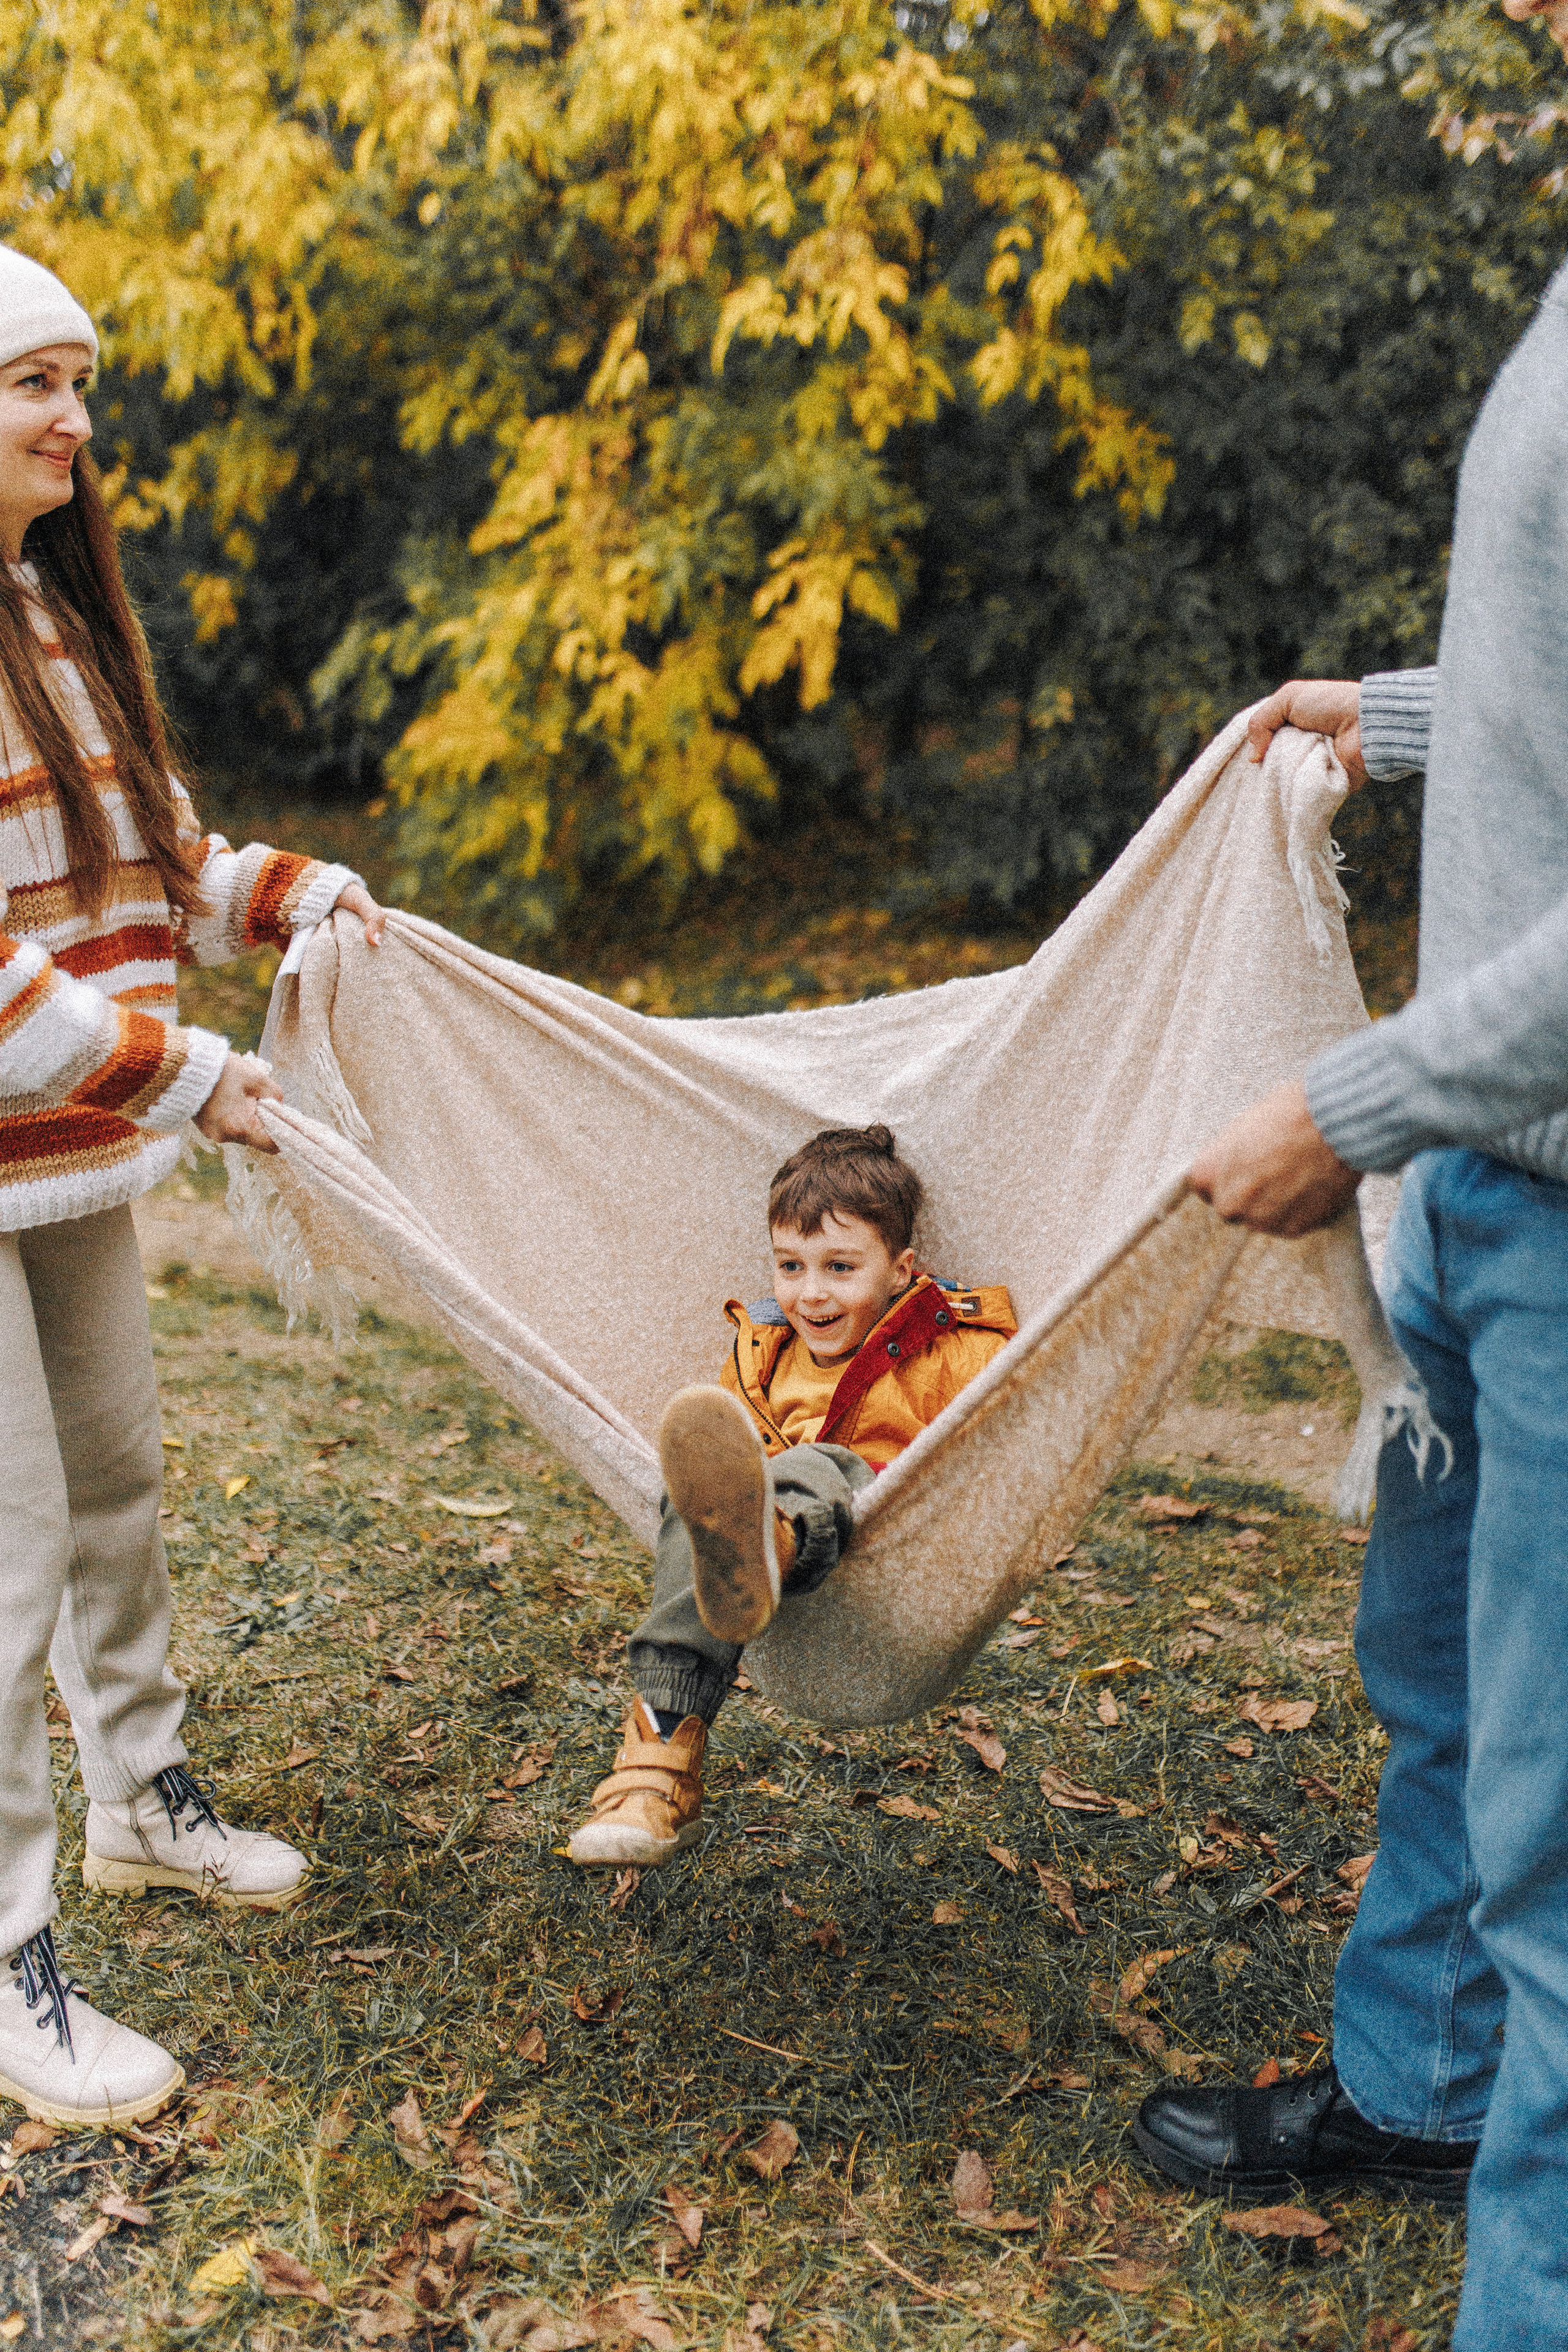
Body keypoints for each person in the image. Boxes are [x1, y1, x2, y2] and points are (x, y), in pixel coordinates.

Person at [1134, 9, 1568, 2342]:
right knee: (1435, 1680)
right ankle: (1415, 2087)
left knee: (1565, 1857)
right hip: (1492, 1203)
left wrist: (1351, 1107)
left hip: (1541, 1195)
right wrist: (1386, 720)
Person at [0, 245, 387, 2128]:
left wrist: (279, 892)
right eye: (33, 384)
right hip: (43, 1122)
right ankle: (7, 1962)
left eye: (78, 381)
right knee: (1, 1566)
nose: (75, 419)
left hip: (62, 1163)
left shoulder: (53, 617)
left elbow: (141, 863)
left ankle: (142, 1802)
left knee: (118, 1484)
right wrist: (197, 1074)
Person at [567, 1124, 1015, 1868]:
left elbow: (1013, 1423)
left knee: (814, 1463)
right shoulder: (757, 1357)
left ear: (902, 1271)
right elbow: (717, 1469)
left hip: (885, 1536)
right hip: (771, 1556)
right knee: (702, 1489)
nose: (811, 1293)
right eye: (789, 1265)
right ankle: (654, 1772)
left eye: (840, 1267)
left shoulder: (947, 1348)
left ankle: (767, 1539)